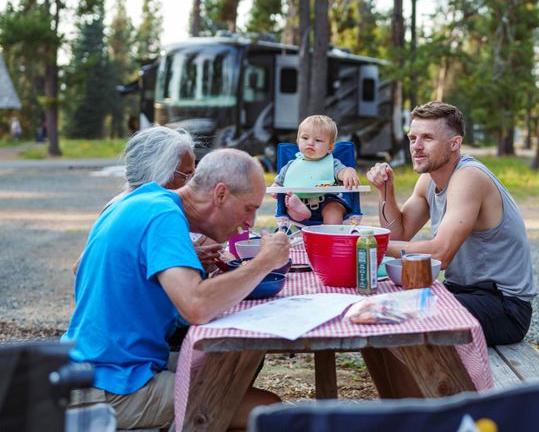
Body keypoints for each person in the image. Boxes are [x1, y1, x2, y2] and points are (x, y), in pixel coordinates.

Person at [64, 149, 289, 430]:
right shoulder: (164, 217)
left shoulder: (148, 201)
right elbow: (196, 306)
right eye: (248, 208)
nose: (250, 222)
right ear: (220, 194)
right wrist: (264, 262)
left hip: (95, 366)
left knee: (232, 369)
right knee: (266, 409)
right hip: (108, 385)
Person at [366, 102, 535, 346]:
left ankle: (450, 384)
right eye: (412, 138)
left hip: (504, 307)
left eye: (427, 138)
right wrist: (385, 191)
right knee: (382, 302)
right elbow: (397, 235)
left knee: (399, 313)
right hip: (460, 292)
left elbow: (440, 254)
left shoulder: (469, 178)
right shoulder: (428, 180)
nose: (416, 146)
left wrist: (368, 242)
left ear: (454, 143)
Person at [71, 126, 223, 276]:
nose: (191, 183)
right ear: (160, 173)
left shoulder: (127, 202)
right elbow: (81, 267)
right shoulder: (152, 209)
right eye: (186, 175)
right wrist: (182, 258)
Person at [271, 114, 360, 224]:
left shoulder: (332, 163)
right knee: (289, 206)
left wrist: (349, 171)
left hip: (328, 200)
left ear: (330, 147)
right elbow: (278, 183)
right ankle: (300, 211)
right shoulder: (291, 165)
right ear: (298, 140)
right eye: (305, 138)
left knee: (334, 210)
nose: (310, 143)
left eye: (318, 140)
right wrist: (275, 189)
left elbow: (342, 172)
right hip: (300, 200)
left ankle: (331, 234)